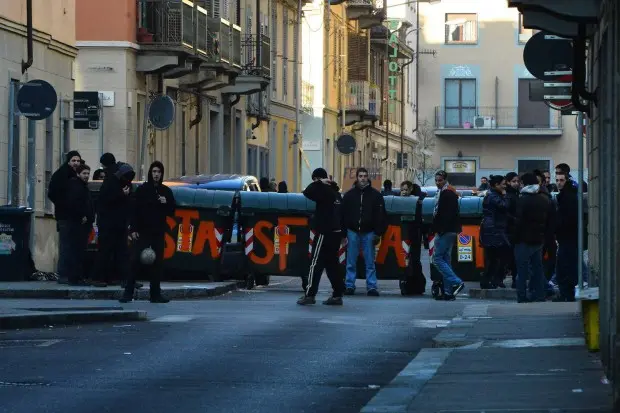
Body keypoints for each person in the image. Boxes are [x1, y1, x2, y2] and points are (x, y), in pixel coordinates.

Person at [120, 161, 175, 303]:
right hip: (143, 231)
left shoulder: (166, 191)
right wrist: (133, 229)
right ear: (151, 173)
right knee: (135, 261)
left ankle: (155, 294)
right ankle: (128, 293)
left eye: (159, 172)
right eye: (154, 172)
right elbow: (134, 210)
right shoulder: (143, 190)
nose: (156, 174)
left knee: (157, 263)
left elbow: (172, 211)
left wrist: (166, 202)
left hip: (158, 231)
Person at [297, 168, 346, 306]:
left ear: (317, 179)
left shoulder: (323, 191)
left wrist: (319, 183)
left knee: (315, 263)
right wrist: (343, 233)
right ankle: (337, 294)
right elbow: (342, 215)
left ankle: (310, 294)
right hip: (336, 233)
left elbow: (307, 191)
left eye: (315, 179)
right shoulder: (336, 193)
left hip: (324, 232)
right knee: (332, 265)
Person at [342, 168, 387, 296]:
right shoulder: (349, 195)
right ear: (357, 177)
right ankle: (349, 285)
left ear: (368, 177)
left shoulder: (376, 195)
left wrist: (378, 232)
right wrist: (343, 232)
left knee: (370, 261)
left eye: (365, 176)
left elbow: (381, 215)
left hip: (369, 232)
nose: (363, 178)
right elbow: (343, 214)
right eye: (360, 176)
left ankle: (371, 287)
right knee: (351, 261)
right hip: (353, 231)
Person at [92, 161, 136, 287]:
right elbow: (107, 201)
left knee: (121, 252)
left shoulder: (122, 184)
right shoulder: (111, 183)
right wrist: (123, 195)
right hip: (108, 224)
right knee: (105, 251)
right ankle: (99, 278)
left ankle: (122, 278)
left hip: (118, 223)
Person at [513, 172, 553, 303]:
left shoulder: (522, 199)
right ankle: (540, 295)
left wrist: (514, 237)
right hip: (539, 239)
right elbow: (549, 220)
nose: (519, 184)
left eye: (521, 182)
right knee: (538, 268)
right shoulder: (544, 199)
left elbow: (518, 222)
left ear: (524, 183)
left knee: (522, 270)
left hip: (523, 240)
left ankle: (522, 296)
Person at [47, 150, 82, 284]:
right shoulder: (62, 174)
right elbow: (52, 193)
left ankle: (71, 274)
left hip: (73, 216)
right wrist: (64, 204)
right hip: (65, 216)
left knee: (72, 246)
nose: (76, 163)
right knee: (66, 246)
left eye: (78, 161)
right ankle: (63, 274)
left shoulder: (76, 175)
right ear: (68, 161)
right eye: (73, 160)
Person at [431, 170, 464, 300]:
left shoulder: (447, 193)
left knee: (437, 258)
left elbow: (446, 215)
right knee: (445, 260)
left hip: (445, 230)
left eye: (440, 180)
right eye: (436, 180)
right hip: (450, 230)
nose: (438, 183)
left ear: (445, 180)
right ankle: (448, 291)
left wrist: (439, 229)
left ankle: (456, 282)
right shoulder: (447, 192)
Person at [479, 175, 511, 289]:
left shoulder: (491, 195)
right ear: (496, 185)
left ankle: (490, 280)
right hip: (494, 230)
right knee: (499, 256)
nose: (505, 186)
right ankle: (492, 280)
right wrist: (505, 195)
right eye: (503, 184)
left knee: (494, 257)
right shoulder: (494, 196)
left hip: (492, 230)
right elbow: (504, 206)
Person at [65, 163, 95, 285]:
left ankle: (77, 277)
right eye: (84, 173)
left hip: (82, 224)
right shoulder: (76, 186)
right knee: (76, 251)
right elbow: (74, 204)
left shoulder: (82, 186)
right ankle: (75, 277)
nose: (86, 176)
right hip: (78, 224)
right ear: (78, 174)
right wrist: (82, 216)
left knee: (79, 251)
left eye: (88, 173)